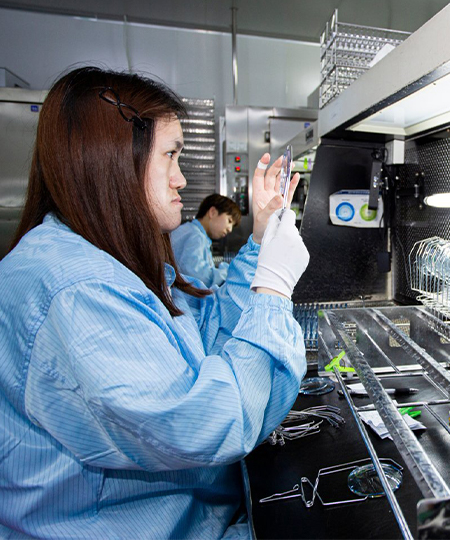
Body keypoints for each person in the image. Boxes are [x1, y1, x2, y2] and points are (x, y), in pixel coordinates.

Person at [0, 66, 309, 539]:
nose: (181, 179)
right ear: (112, 160)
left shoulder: (104, 258)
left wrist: (259, 246)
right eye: (171, 155)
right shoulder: (77, 290)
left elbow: (203, 340)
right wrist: (271, 290)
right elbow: (207, 426)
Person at [171, 193, 242, 286]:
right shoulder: (195, 235)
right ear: (212, 212)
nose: (230, 229)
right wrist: (229, 274)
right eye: (229, 221)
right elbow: (195, 274)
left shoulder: (193, 232)